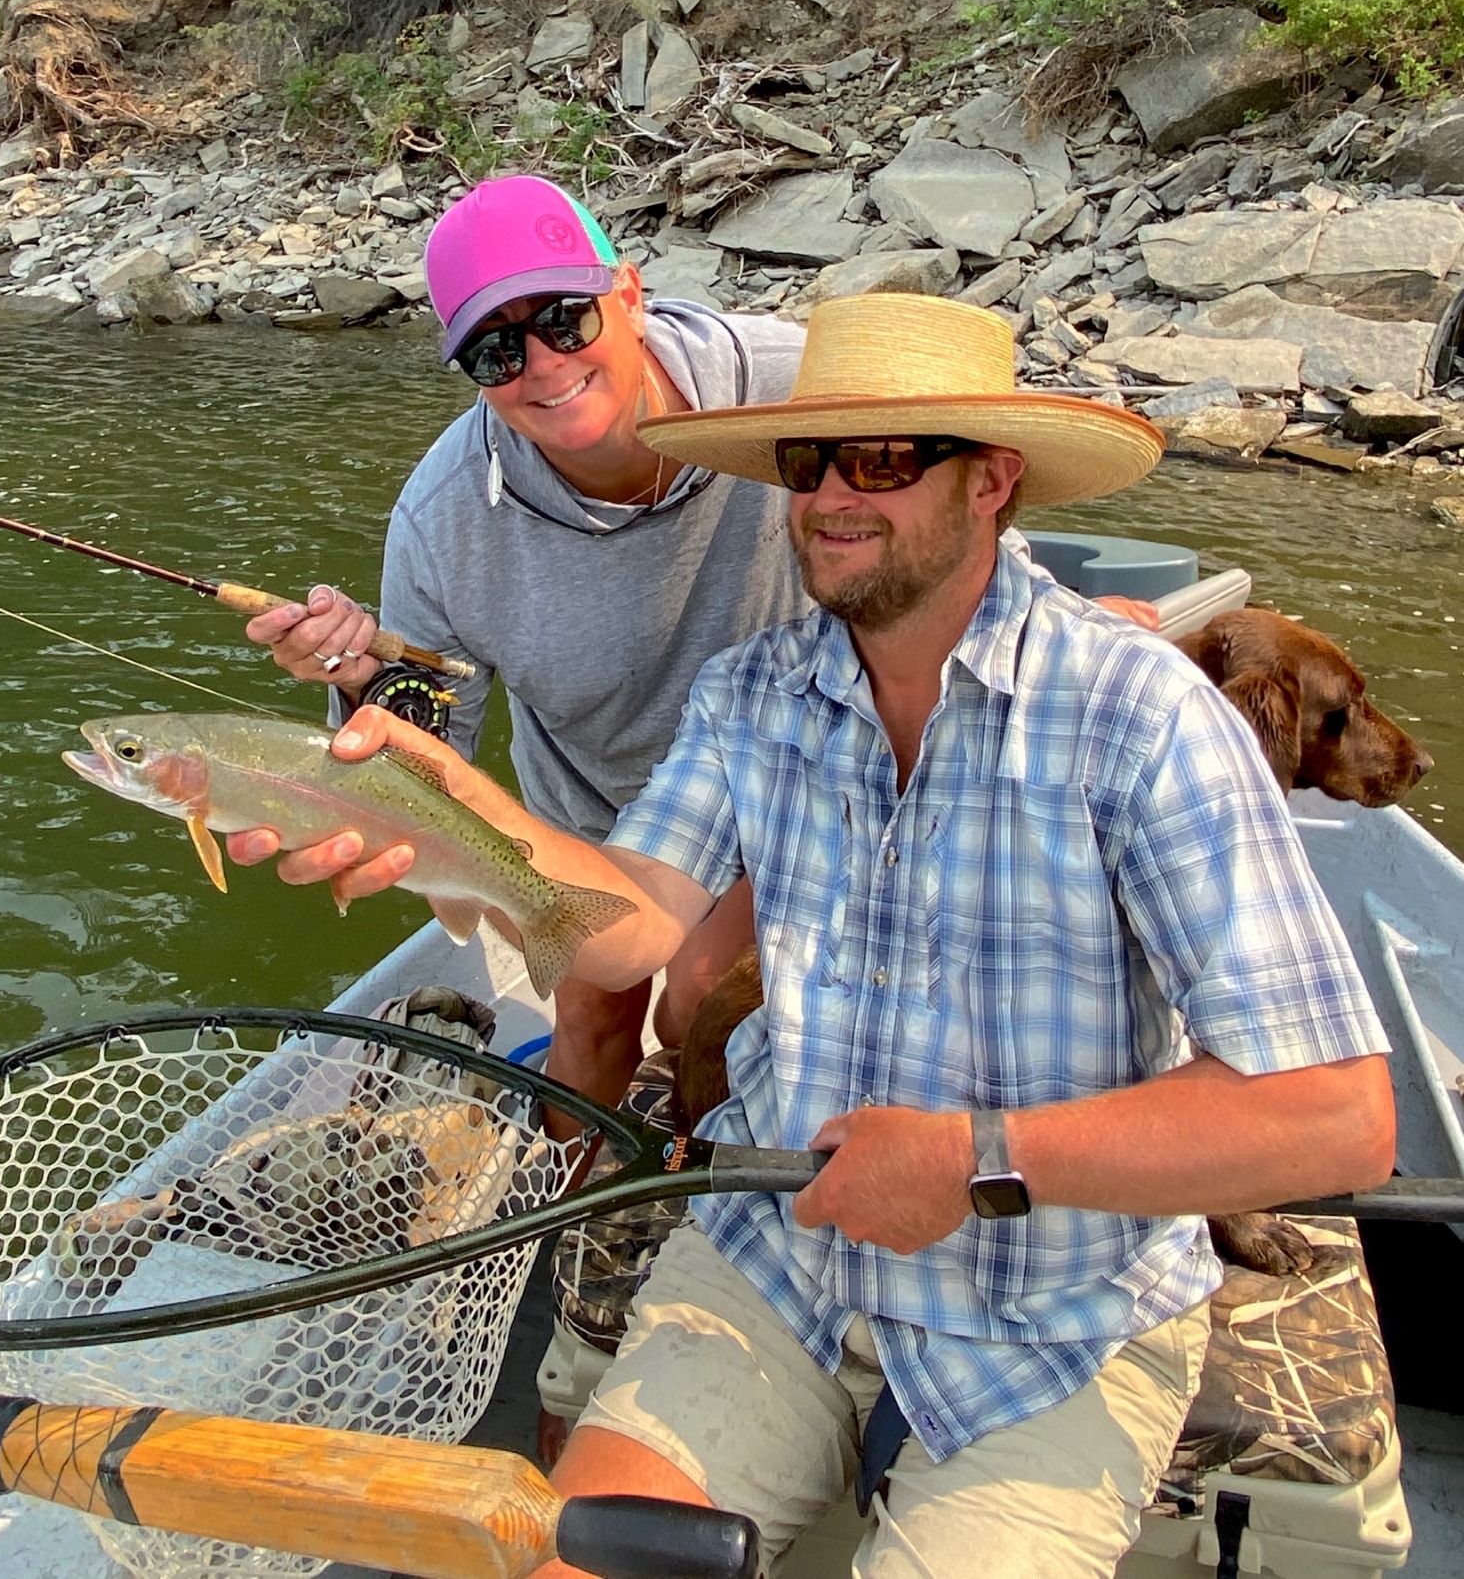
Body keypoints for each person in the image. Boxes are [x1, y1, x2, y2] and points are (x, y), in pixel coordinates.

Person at [234, 291, 1394, 1579]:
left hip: (1058, 1318)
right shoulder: (753, 696)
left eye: (887, 461)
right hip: (769, 1269)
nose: (836, 496)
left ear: (992, 481)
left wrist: (975, 1158)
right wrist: (450, 809)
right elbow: (620, 933)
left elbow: (1333, 1115)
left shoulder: (1141, 717)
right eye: (808, 463)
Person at [245, 172, 806, 1102]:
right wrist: (359, 687)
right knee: (588, 1012)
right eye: (496, 351)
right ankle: (578, 1221)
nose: (541, 364)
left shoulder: (796, 386)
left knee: (700, 1003)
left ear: (627, 292)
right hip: (600, 812)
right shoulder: (441, 520)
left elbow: (951, 511)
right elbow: (421, 746)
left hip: (803, 779)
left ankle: (704, 1192)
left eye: (564, 319)